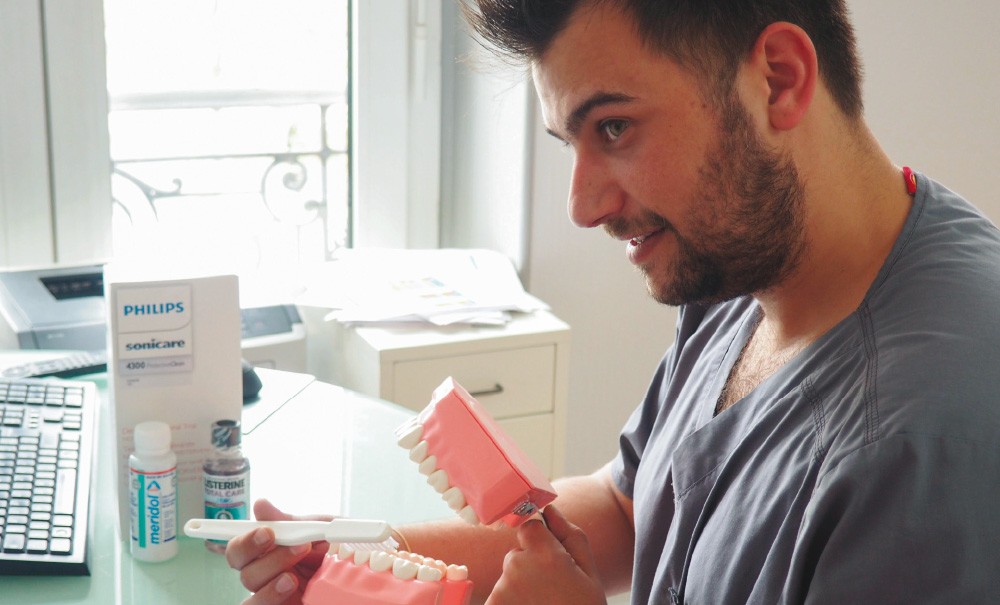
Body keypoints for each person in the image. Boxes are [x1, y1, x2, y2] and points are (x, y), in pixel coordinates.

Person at [226, 1, 1000, 603]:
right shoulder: (738, 264)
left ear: (779, 79)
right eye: (572, 142)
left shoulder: (930, 446)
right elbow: (630, 509)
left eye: (615, 127)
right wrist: (370, 555)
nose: (583, 205)